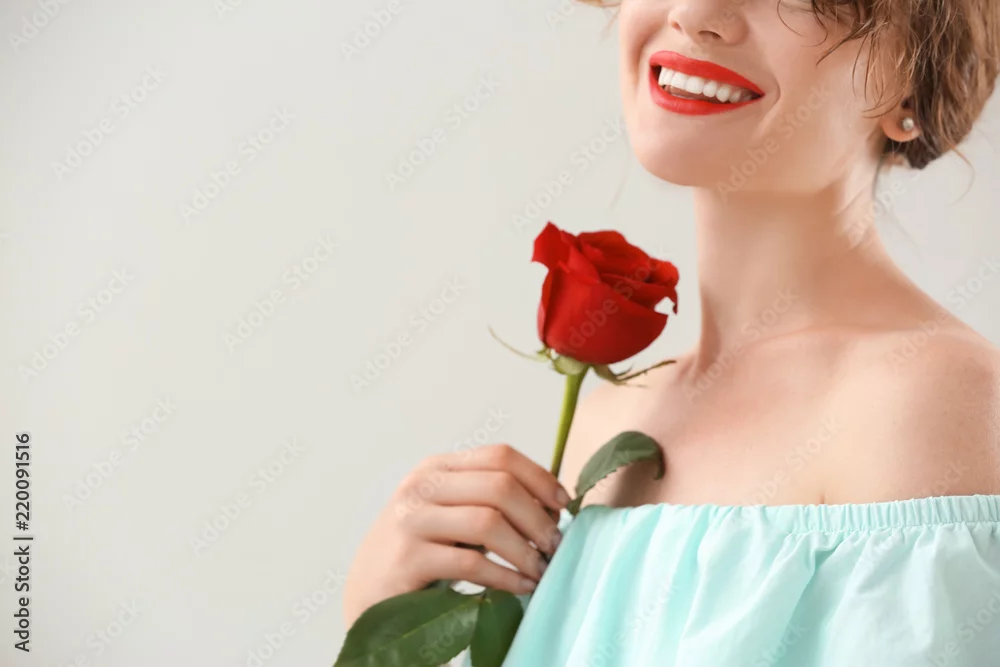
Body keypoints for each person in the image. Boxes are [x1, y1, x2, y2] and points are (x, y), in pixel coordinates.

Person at [343, 0, 1000, 663]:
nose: (695, 12)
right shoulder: (608, 424)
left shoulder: (931, 402)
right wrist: (382, 617)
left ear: (913, 83)